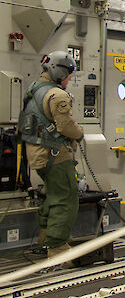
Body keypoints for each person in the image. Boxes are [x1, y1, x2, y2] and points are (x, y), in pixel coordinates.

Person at [19, 51, 83, 264]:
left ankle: (46, 236)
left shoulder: (34, 90)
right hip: (54, 153)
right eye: (68, 75)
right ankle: (57, 246)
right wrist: (80, 134)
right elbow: (65, 126)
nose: (69, 80)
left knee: (53, 195)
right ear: (59, 72)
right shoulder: (58, 95)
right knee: (67, 197)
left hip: (35, 153)